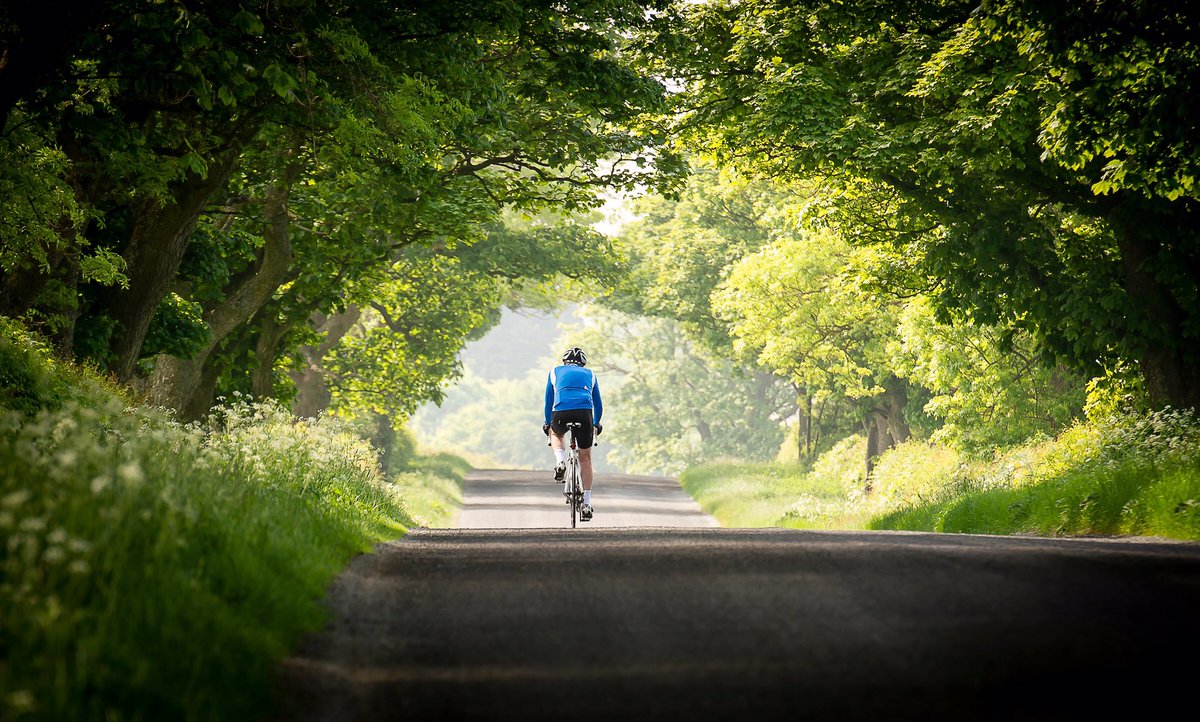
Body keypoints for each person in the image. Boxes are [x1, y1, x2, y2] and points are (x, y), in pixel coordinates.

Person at [543, 346, 603, 521]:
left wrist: (548, 423)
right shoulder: (590, 374)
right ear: (583, 363)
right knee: (585, 458)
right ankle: (586, 503)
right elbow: (598, 404)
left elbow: (548, 401)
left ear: (564, 361)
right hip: (584, 413)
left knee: (556, 434)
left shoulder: (554, 372)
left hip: (561, 411)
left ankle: (560, 461)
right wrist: (596, 423)